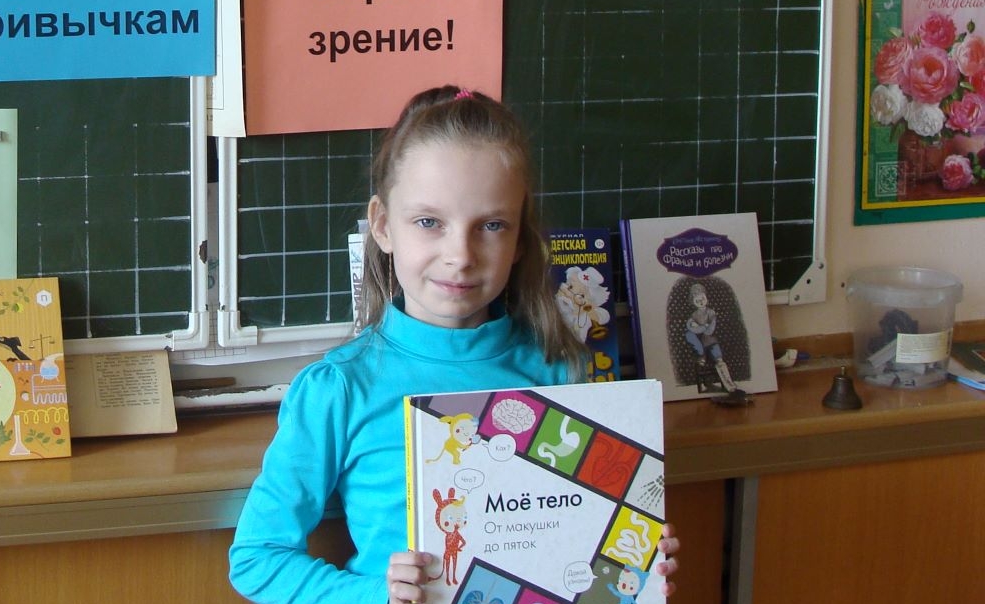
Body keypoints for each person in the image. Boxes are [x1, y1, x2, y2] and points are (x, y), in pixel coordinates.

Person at [228, 87, 679, 604]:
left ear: (519, 240)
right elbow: (257, 559)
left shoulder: (560, 371)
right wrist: (377, 595)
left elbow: (588, 553)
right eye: (429, 222)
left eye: (491, 225)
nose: (460, 255)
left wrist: (636, 566)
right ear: (383, 226)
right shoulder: (339, 390)